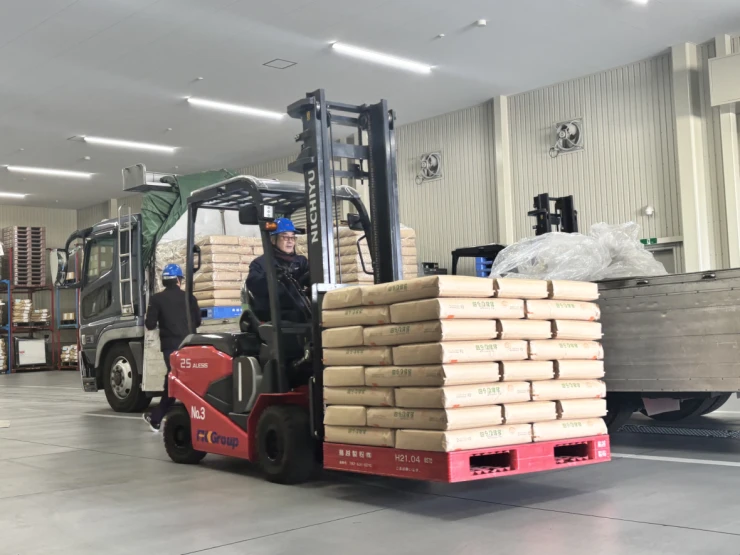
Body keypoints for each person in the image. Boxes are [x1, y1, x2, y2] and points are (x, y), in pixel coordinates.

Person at [142, 263, 201, 432]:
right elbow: (197, 321)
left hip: (171, 348)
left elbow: (150, 324)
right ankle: (160, 417)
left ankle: (158, 418)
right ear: (178, 280)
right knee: (184, 380)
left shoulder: (156, 299)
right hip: (190, 345)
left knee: (174, 380)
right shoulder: (190, 298)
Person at [246, 218, 309, 322]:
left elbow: (311, 278)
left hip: (299, 310)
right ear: (273, 240)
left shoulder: (300, 261)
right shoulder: (261, 263)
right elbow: (254, 285)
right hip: (274, 314)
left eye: (292, 237)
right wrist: (274, 278)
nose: (290, 241)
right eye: (285, 237)